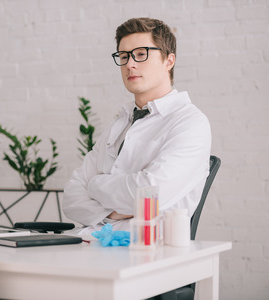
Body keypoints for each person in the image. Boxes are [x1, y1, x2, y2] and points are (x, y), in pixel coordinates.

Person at [63, 17, 211, 234]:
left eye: (141, 54)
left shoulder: (190, 122)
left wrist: (95, 184)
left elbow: (150, 194)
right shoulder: (121, 123)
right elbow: (71, 197)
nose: (130, 64)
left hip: (151, 252)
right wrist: (110, 214)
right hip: (94, 245)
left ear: (169, 61)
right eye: (123, 56)